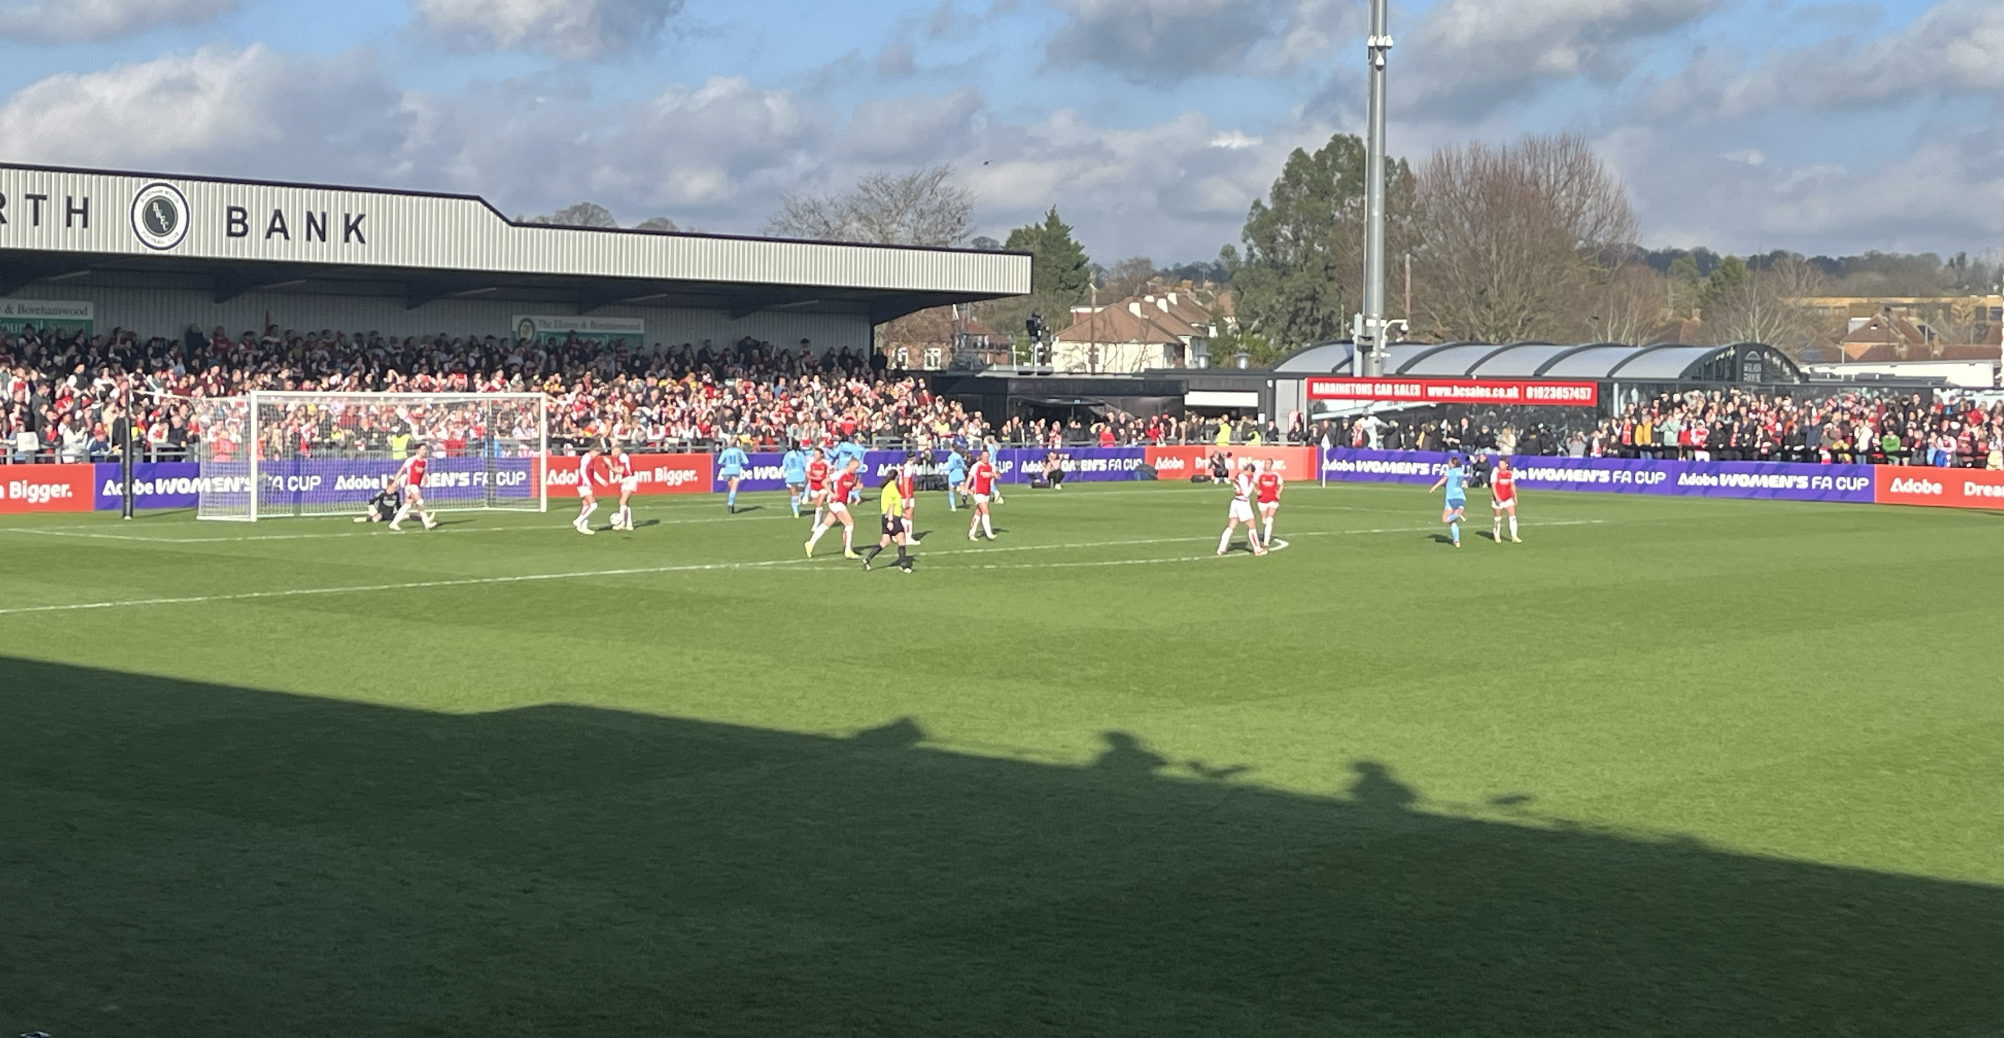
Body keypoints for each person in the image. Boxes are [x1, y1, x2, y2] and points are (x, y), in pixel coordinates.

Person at [806, 457, 862, 559]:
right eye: (855, 467)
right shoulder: (840, 473)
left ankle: (810, 543)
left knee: (826, 524)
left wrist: (856, 488)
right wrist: (831, 493)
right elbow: (824, 482)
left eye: (857, 468)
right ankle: (848, 550)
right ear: (850, 465)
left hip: (841, 502)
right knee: (850, 523)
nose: (856, 469)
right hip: (836, 502)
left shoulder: (853, 476)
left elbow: (848, 488)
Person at [862, 469, 914, 573]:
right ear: (896, 477)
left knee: (885, 541)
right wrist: (891, 520)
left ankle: (867, 559)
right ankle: (904, 565)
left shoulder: (887, 487)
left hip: (885, 517)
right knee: (902, 540)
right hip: (892, 518)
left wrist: (901, 514)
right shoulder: (891, 488)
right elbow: (891, 505)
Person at [1218, 460, 1266, 556]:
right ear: (1249, 470)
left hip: (1235, 502)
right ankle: (1257, 549)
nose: (1251, 475)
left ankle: (1221, 548)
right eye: (1251, 472)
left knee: (1231, 526)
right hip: (1242, 503)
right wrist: (1252, 484)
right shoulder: (1244, 478)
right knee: (1252, 526)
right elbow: (1246, 493)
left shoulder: (1238, 475)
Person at [388, 443, 437, 532]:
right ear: (418, 450)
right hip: (410, 485)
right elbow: (401, 470)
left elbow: (424, 473)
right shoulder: (411, 460)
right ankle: (426, 520)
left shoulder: (425, 462)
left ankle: (394, 523)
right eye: (423, 449)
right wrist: (395, 480)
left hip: (416, 485)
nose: (424, 451)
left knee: (408, 505)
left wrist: (425, 479)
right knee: (420, 501)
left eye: (425, 449)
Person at [1428, 452, 1468, 548]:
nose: (1448, 463)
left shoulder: (1451, 472)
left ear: (1453, 464)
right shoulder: (1461, 472)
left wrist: (1434, 487)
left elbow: (1444, 479)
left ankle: (1456, 514)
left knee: (1445, 519)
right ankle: (1456, 541)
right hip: (1460, 497)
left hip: (1451, 497)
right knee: (1453, 523)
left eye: (1449, 462)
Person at [963, 449, 998, 541]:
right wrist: (965, 492)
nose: (986, 458)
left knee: (979, 512)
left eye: (988, 456)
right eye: (984, 456)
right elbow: (969, 478)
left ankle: (971, 533)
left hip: (986, 492)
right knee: (986, 511)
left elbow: (996, 475)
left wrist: (994, 475)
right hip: (978, 492)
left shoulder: (991, 466)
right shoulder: (976, 466)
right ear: (981, 457)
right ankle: (989, 534)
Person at [573, 442, 605, 535]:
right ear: (593, 451)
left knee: (586, 505)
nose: (597, 456)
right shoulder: (586, 458)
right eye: (597, 453)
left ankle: (583, 527)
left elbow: (592, 472)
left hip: (585, 483)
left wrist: (601, 481)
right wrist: (588, 483)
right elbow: (582, 471)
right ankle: (579, 520)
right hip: (583, 484)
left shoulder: (591, 459)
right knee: (593, 505)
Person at [1490, 455, 1522, 543]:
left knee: (1513, 516)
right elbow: (1493, 485)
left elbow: (1512, 485)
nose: (1500, 465)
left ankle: (1514, 536)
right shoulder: (1495, 472)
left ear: (1506, 465)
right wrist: (1496, 496)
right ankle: (1497, 535)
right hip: (1498, 498)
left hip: (1508, 498)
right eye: (1499, 463)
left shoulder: (1510, 473)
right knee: (1498, 518)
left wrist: (1515, 496)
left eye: (1502, 463)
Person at [1254, 458, 1283, 548]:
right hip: (1262, 499)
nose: (1266, 465)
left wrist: (1278, 493)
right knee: (1264, 520)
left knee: (1270, 519)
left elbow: (1281, 484)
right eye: (1265, 463)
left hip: (1273, 498)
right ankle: (1265, 531)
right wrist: (1257, 491)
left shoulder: (1276, 475)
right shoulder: (1259, 474)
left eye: (1268, 463)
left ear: (1271, 465)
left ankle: (1266, 540)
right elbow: (1254, 484)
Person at [609, 443, 638, 531]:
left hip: (629, 479)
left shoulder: (622, 457)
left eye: (616, 450)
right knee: (625, 503)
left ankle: (622, 522)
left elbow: (621, 470)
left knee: (622, 501)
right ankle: (628, 524)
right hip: (627, 479)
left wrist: (609, 465)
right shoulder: (620, 458)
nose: (613, 452)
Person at [718, 435, 749, 513]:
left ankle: (731, 503)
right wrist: (739, 462)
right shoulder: (740, 452)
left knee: (731, 488)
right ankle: (730, 503)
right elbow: (746, 461)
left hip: (727, 471)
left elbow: (719, 462)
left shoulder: (726, 451)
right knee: (733, 489)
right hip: (736, 471)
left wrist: (727, 463)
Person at [781, 440, 809, 518]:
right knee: (801, 491)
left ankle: (796, 512)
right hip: (800, 476)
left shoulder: (787, 455)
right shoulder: (800, 454)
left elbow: (784, 466)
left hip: (791, 477)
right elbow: (805, 465)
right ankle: (799, 498)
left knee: (793, 494)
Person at [804, 447, 831, 527]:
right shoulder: (810, 463)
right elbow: (808, 475)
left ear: (821, 455)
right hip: (814, 486)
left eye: (817, 454)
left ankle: (816, 524)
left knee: (819, 504)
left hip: (823, 486)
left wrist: (826, 479)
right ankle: (821, 518)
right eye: (814, 454)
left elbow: (830, 471)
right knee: (817, 505)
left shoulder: (826, 463)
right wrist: (815, 478)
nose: (815, 456)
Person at [943, 447, 967, 511]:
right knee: (962, 485)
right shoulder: (959, 456)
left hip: (953, 475)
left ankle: (953, 507)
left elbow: (951, 465)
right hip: (960, 474)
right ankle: (963, 494)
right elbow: (962, 465)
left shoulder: (951, 456)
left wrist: (943, 468)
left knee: (951, 491)